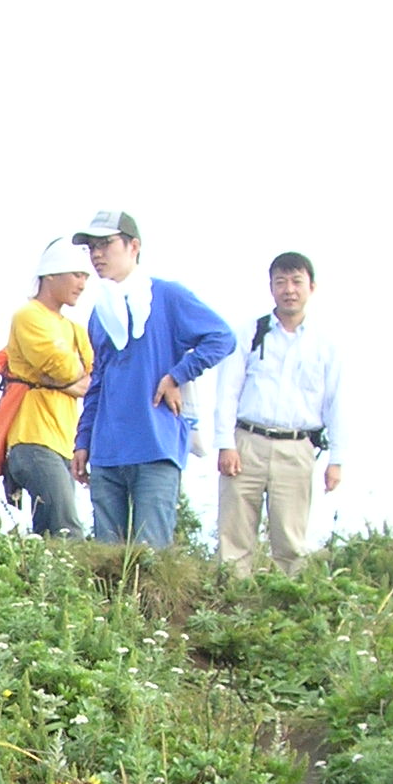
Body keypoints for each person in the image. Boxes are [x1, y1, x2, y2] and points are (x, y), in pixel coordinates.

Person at [70, 211, 235, 548]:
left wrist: (177, 375)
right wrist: (83, 441)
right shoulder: (100, 312)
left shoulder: (166, 296)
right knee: (106, 558)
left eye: (105, 244)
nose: (97, 254)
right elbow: (97, 381)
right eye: (91, 248)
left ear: (133, 246)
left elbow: (221, 337)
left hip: (155, 443)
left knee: (151, 554)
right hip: (107, 450)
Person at [213, 251, 346, 572]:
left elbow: (336, 403)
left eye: (297, 282)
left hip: (297, 448)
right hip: (247, 443)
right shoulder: (250, 332)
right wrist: (225, 443)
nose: (289, 290)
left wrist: (337, 460)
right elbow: (227, 390)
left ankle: (288, 600)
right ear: (271, 287)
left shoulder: (325, 344)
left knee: (290, 542)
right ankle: (233, 598)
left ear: (311, 287)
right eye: (281, 282)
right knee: (234, 538)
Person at [0, 237, 95, 536]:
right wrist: (67, 377)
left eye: (86, 277)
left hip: (64, 442)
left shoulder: (75, 329)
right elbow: (63, 367)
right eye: (76, 275)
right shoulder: (28, 316)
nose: (82, 284)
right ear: (51, 274)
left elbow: (93, 380)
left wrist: (53, 379)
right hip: (33, 440)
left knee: (49, 532)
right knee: (68, 528)